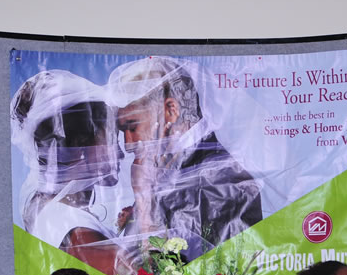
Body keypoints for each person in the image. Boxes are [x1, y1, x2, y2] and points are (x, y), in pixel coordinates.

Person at [108, 56, 263, 260]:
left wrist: (145, 205)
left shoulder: (223, 183)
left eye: (132, 126)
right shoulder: (164, 169)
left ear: (171, 111)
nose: (127, 144)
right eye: (122, 131)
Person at [11, 70, 131, 275]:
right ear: (80, 147)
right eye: (112, 139)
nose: (121, 152)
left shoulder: (46, 206)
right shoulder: (76, 232)